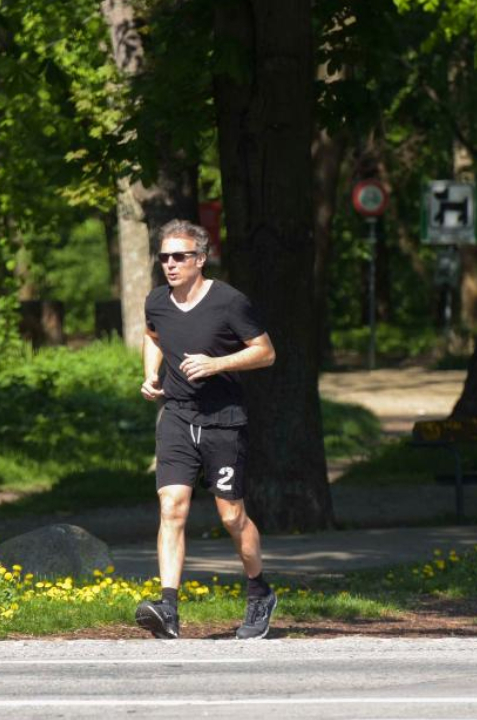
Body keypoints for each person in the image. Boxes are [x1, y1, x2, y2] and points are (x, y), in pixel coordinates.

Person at [134, 219, 278, 640]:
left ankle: (260, 592)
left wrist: (217, 364)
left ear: (201, 259)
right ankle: (168, 608)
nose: (170, 264)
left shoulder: (230, 302)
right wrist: (150, 376)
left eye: (179, 256)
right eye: (164, 257)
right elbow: (152, 336)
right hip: (177, 416)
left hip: (224, 420)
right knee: (171, 507)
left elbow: (265, 353)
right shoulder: (157, 301)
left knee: (231, 516)